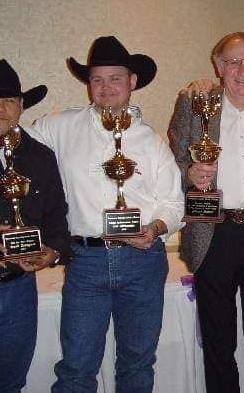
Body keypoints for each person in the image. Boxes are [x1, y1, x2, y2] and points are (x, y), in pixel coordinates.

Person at [32, 36, 185, 393]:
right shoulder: (58, 127)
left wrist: (155, 228)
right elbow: (11, 147)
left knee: (137, 365)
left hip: (143, 261)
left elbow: (175, 204)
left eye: (115, 78)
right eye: (97, 79)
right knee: (76, 368)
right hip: (85, 261)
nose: (106, 87)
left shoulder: (151, 140)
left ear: (132, 81)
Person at [168, 31, 244, 393]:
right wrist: (188, 173)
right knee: (218, 342)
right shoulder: (195, 104)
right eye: (234, 61)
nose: (243, 69)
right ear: (218, 66)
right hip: (213, 232)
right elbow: (171, 161)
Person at [0, 59, 72, 393]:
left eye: (9, 101)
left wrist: (53, 253)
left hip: (20, 293)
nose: (0, 109)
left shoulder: (40, 156)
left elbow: (58, 218)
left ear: (21, 106)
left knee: (10, 385)